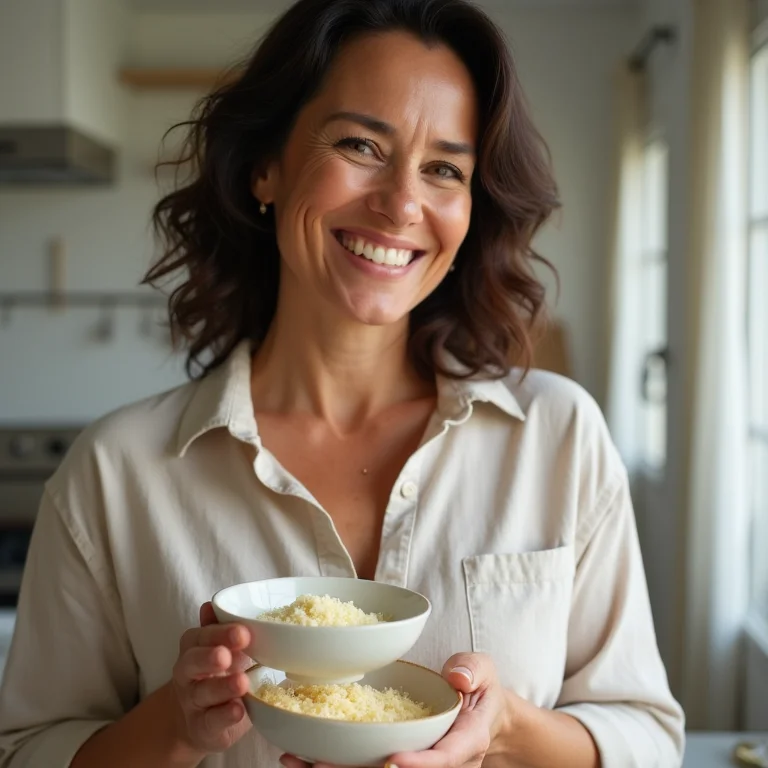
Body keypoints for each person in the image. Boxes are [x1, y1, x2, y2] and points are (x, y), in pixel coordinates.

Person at [0, 0, 685, 765]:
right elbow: (28, 750)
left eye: (444, 170)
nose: (400, 204)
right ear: (267, 165)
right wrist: (174, 723)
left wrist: (506, 730)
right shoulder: (115, 472)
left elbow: (647, 736)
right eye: (361, 144)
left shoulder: (558, 436)